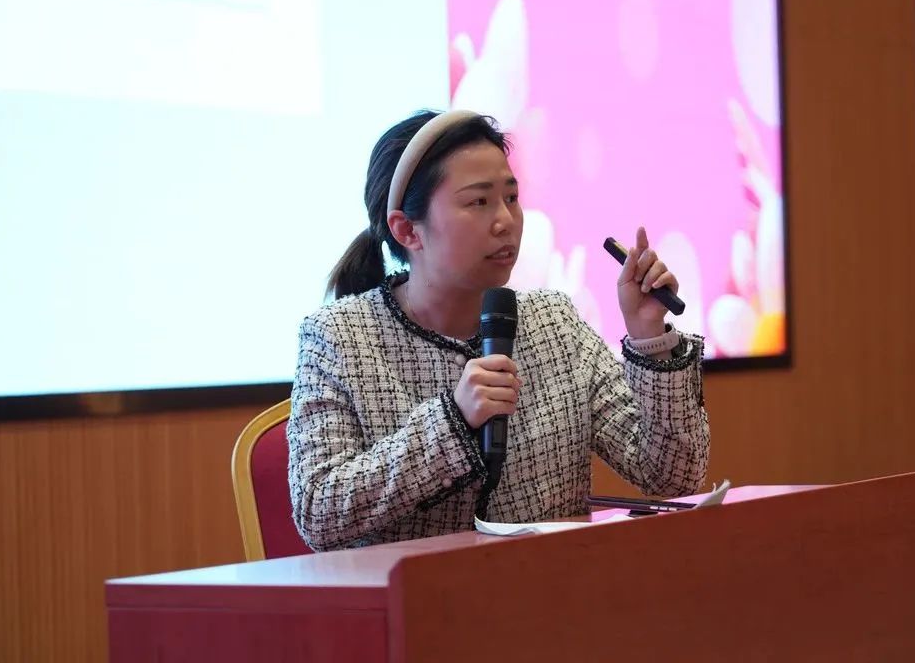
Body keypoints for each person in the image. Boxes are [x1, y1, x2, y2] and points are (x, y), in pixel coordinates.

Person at [288, 110, 709, 551]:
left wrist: (649, 337)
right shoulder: (339, 338)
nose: (506, 220)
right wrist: (453, 421)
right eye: (478, 202)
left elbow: (672, 476)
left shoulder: (554, 323)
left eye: (511, 197)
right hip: (417, 591)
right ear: (408, 230)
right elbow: (319, 512)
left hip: (551, 584)